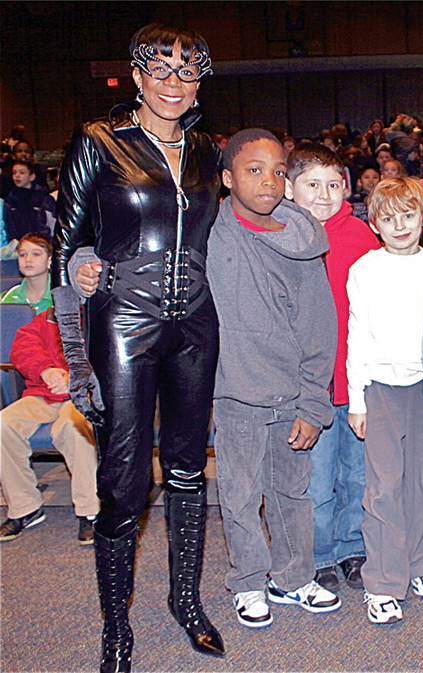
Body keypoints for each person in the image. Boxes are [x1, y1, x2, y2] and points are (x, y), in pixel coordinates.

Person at [53, 23, 225, 671]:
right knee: (123, 480)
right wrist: (80, 267)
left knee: (187, 468)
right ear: (136, 74)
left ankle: (186, 600)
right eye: (160, 68)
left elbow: (251, 214)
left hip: (196, 326)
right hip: (124, 319)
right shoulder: (101, 140)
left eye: (187, 70)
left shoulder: (210, 150)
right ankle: (116, 626)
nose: (172, 83)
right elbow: (67, 239)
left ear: (200, 79)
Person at [206, 128, 340, 629]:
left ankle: (294, 577)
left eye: (278, 171)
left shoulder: (302, 242)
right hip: (235, 393)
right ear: (226, 177)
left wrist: (312, 404)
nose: (268, 180)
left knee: (292, 494)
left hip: (291, 395)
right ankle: (247, 580)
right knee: (239, 496)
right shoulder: (207, 231)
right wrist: (86, 261)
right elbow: (141, 247)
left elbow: (318, 330)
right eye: (253, 169)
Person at [286, 144, 381, 593]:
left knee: (357, 474)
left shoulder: (360, 235)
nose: (324, 195)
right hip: (310, 388)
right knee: (316, 480)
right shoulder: (278, 234)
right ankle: (319, 553)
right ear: (289, 187)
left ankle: (351, 547)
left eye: (332, 185)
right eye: (312, 185)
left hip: (358, 381)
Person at [346, 177, 423, 624]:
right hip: (379, 389)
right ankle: (383, 581)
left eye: (408, 215)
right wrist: (356, 399)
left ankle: (418, 562)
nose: (399, 225)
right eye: (388, 218)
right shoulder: (365, 268)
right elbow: (357, 334)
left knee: (421, 483)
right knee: (383, 487)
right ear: (374, 224)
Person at [0, 307, 100, 545]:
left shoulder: (102, 315)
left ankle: (90, 510)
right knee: (4, 425)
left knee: (72, 426)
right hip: (43, 393)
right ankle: (25, 508)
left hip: (83, 394)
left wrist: (74, 378)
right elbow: (24, 348)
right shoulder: (47, 317)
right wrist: (46, 370)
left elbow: (112, 358)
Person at [3, 160, 55, 242]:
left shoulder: (43, 198)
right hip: (18, 244)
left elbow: (49, 224)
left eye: (22, 173)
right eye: (14, 172)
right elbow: (9, 226)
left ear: (32, 177)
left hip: (41, 242)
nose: (17, 176)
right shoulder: (10, 199)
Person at [0, 233, 53, 313]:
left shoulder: (63, 297)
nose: (28, 259)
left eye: (36, 254)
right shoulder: (6, 299)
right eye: (22, 255)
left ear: (49, 261)